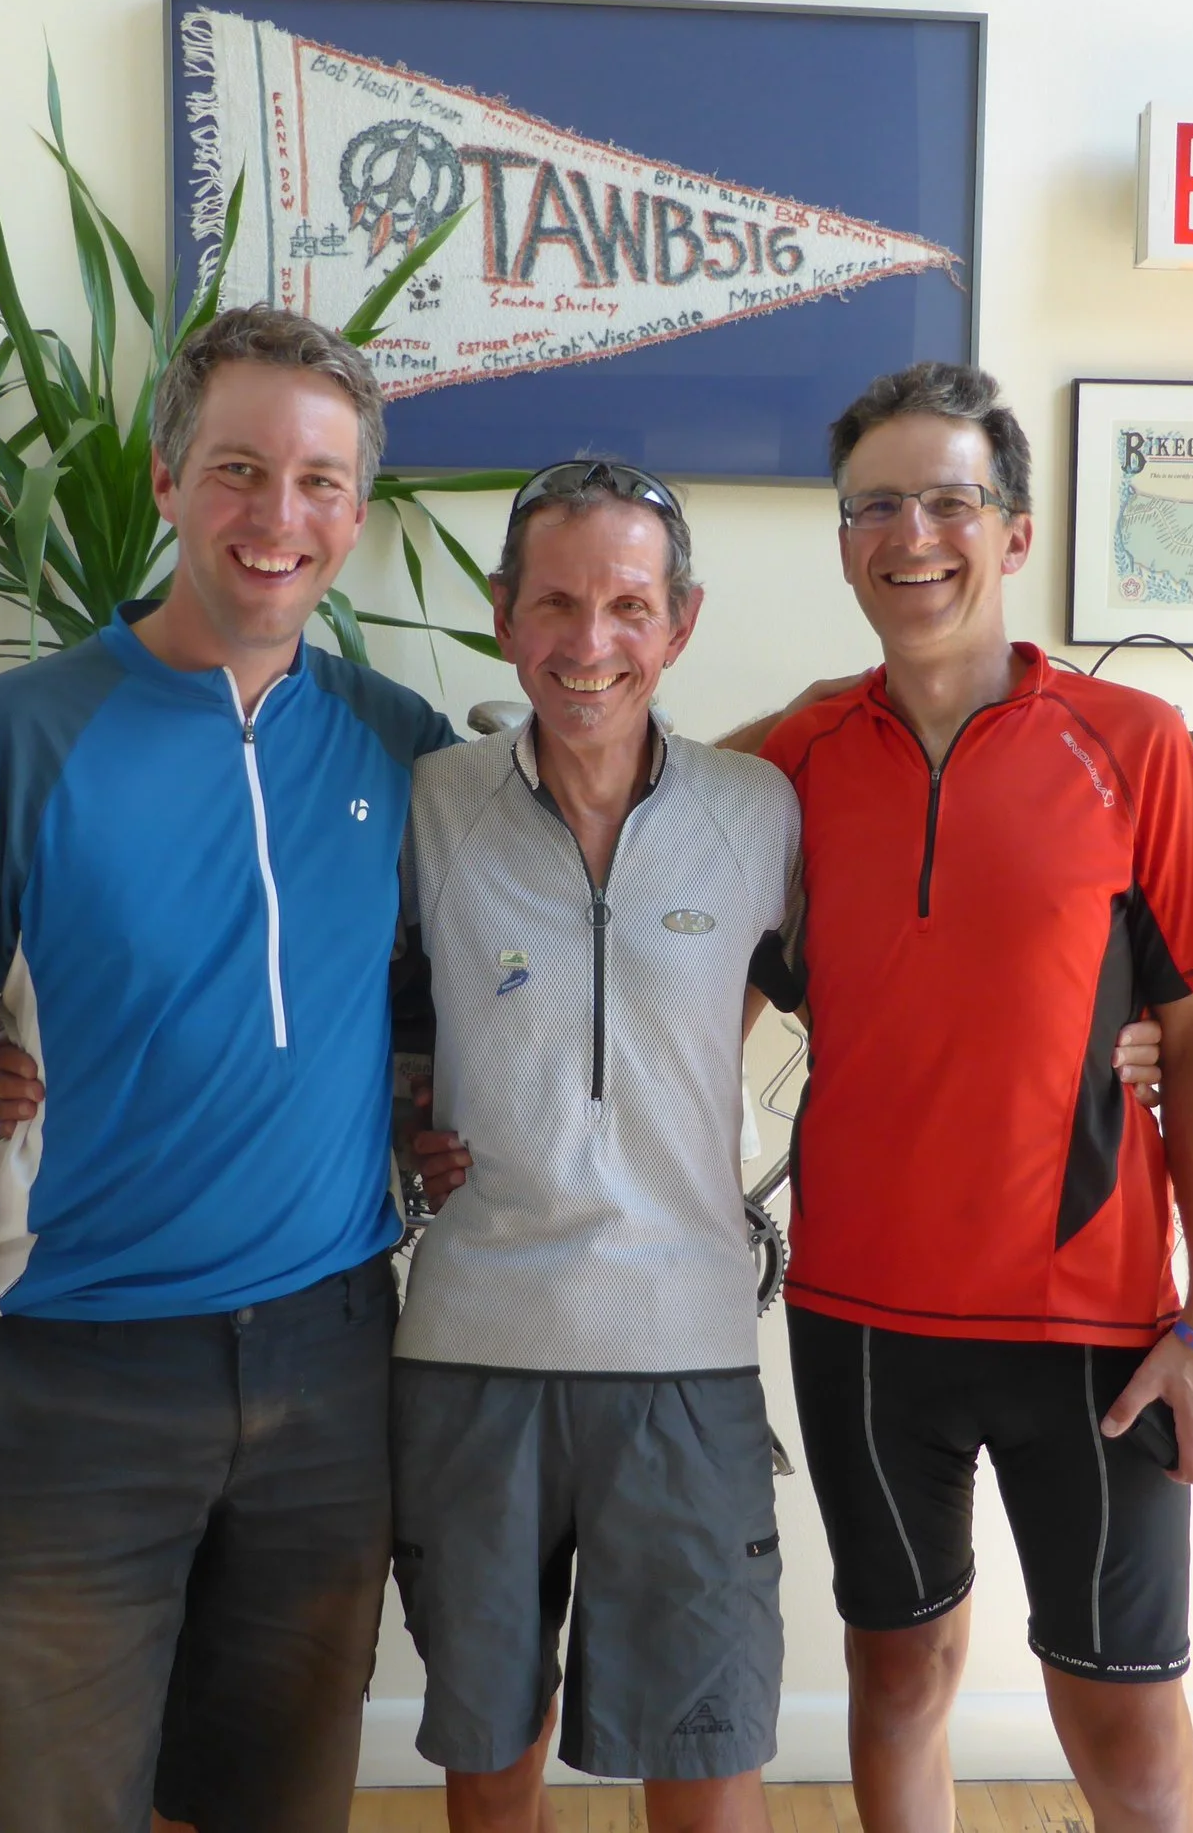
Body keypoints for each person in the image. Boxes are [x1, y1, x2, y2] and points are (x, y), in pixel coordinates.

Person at [0, 304, 456, 1833]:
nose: (279, 517)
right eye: (241, 469)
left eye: (320, 481)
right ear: (169, 477)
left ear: (358, 513)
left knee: (278, 1801)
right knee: (30, 1809)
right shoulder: (18, 736)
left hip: (334, 1370)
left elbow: (471, 994)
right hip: (75, 1378)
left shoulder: (406, 748)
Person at [719, 363, 1193, 1833]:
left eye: (953, 499)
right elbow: (684, 976)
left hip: (1096, 1326)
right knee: (898, 1676)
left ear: (1014, 534)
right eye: (877, 504)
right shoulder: (792, 761)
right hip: (864, 1319)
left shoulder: (1131, 745)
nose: (915, 532)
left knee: (1125, 1713)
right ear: (842, 542)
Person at [388, 460, 796, 1833]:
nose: (590, 643)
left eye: (628, 605)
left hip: (687, 1356)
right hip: (473, 1355)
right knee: (490, 1763)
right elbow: (351, 1019)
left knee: (709, 1754)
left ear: (679, 623)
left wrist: (1130, 1042)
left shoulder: (762, 815)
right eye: (556, 602)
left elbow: (914, 987)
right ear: (504, 616)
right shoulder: (428, 806)